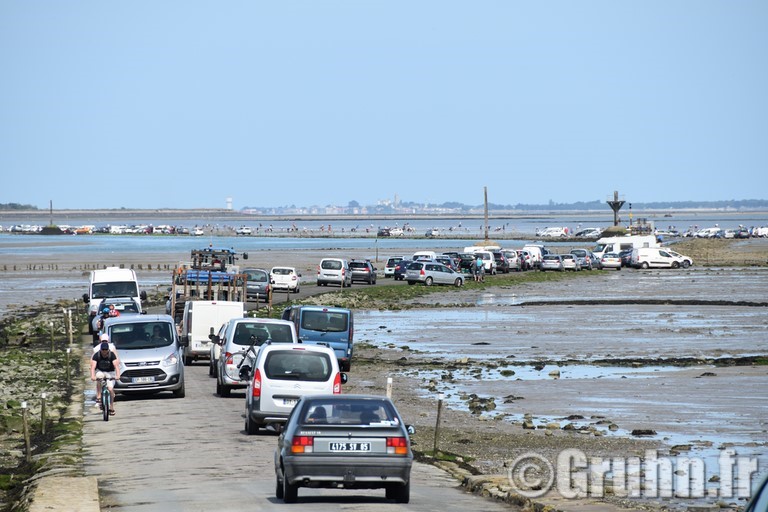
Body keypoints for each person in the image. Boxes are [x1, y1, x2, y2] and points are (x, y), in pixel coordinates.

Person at [90, 341, 120, 415]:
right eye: (103, 350)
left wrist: (117, 376)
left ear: (108, 350)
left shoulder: (112, 355)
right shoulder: (96, 355)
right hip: (100, 371)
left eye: (105, 350)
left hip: (110, 372)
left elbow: (116, 367)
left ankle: (111, 407)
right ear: (100, 350)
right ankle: (99, 397)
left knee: (110, 389)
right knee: (99, 378)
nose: (104, 351)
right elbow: (93, 367)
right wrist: (93, 376)